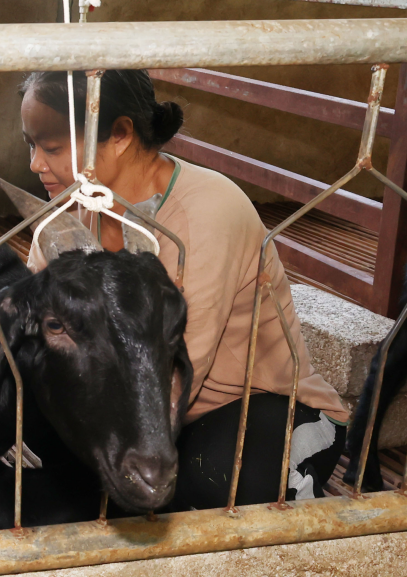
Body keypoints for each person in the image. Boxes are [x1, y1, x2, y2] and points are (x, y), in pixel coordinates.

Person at [19, 69, 348, 509]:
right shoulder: (76, 212)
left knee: (218, 482)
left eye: (52, 147)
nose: (36, 164)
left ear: (119, 135)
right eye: (31, 144)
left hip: (257, 407)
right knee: (34, 428)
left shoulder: (207, 213)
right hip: (146, 410)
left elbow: (176, 369)